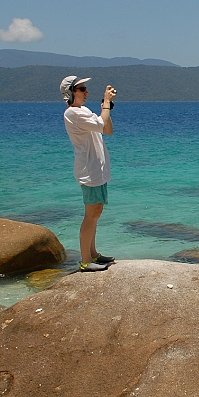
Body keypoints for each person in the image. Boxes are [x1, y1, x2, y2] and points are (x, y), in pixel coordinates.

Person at [60, 75, 117, 272]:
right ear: (70, 93)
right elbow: (102, 124)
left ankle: (92, 253)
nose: (86, 92)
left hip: (97, 170)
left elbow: (107, 130)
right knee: (91, 215)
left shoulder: (83, 110)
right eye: (81, 89)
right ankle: (85, 260)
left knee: (96, 212)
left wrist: (106, 108)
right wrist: (106, 105)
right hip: (89, 171)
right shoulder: (73, 114)